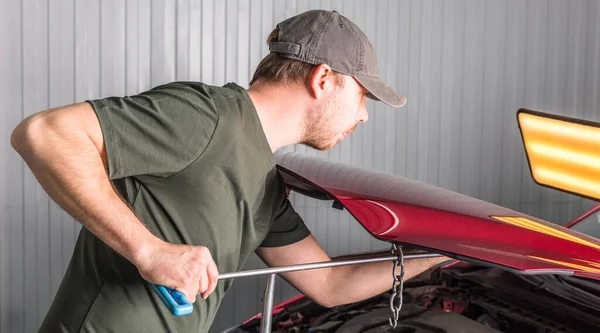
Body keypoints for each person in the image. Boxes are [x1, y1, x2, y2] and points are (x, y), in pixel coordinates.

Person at [11, 9, 448, 333]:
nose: (364, 116)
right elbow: (44, 134)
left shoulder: (266, 185)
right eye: (362, 96)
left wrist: (453, 249)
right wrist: (149, 251)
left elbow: (331, 282)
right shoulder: (207, 115)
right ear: (323, 79)